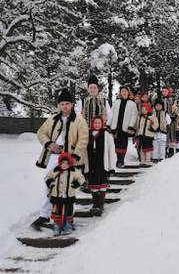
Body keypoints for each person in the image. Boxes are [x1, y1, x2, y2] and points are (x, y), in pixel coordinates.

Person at [31, 88, 89, 231]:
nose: (65, 106)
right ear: (59, 105)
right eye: (62, 104)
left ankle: (68, 217)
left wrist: (74, 156)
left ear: (72, 104)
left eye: (67, 104)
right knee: (49, 184)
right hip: (54, 157)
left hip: (69, 158)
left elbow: (83, 139)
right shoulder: (52, 119)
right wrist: (49, 144)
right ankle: (44, 214)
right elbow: (41, 133)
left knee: (69, 187)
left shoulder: (79, 120)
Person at [44, 152, 85, 235]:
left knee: (68, 211)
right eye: (63, 163)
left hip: (68, 196)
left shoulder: (73, 171)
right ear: (60, 163)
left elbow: (81, 178)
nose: (64, 165)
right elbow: (47, 177)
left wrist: (76, 184)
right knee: (57, 211)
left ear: (69, 163)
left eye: (67, 163)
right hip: (57, 196)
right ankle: (57, 225)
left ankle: (68, 225)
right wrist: (51, 183)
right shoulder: (55, 170)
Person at [86, 116, 117, 216]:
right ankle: (95, 204)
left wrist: (112, 167)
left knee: (102, 184)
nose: (97, 125)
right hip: (92, 162)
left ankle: (101, 205)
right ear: (92, 124)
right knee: (93, 184)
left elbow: (111, 151)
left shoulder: (106, 135)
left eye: (99, 123)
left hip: (103, 162)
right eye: (95, 123)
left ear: (102, 124)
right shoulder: (87, 134)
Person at [110, 86, 138, 168]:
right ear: (120, 93)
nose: (124, 93)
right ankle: (118, 159)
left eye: (125, 91)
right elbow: (111, 114)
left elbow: (134, 116)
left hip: (125, 128)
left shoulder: (132, 103)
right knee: (116, 144)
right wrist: (109, 124)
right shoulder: (116, 102)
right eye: (122, 91)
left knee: (123, 144)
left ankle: (121, 160)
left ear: (128, 93)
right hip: (116, 127)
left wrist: (131, 126)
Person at [160, 86, 176, 158]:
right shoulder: (160, 100)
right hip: (163, 119)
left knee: (171, 133)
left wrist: (174, 115)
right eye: (163, 91)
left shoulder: (172, 100)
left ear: (168, 92)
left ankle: (171, 150)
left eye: (165, 91)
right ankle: (165, 149)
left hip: (171, 119)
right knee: (164, 134)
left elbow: (176, 109)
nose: (164, 93)